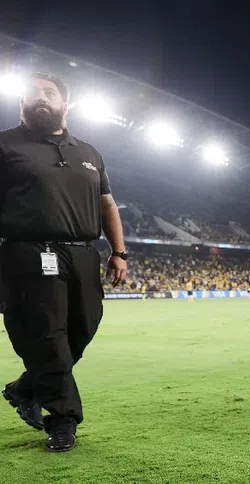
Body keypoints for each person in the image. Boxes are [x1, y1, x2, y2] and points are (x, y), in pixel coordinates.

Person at [0, 72, 128, 452]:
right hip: (29, 253)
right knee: (48, 335)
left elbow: (107, 205)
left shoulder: (89, 153)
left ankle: (26, 388)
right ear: (21, 103)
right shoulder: (5, 145)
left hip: (83, 253)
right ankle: (62, 419)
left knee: (84, 326)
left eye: (49, 92)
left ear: (65, 104)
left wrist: (119, 251)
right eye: (32, 92)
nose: (41, 97)